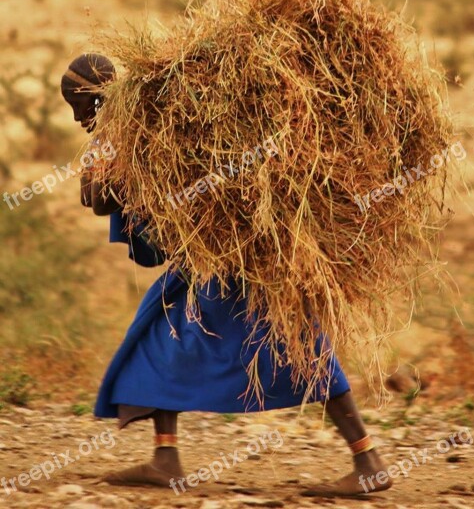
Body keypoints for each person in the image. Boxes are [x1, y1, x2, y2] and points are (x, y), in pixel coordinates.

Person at [61, 54, 392, 498]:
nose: (76, 117)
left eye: (79, 106)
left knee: (298, 344)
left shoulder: (131, 130)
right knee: (161, 334)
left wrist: (100, 157)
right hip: (213, 259)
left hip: (235, 259)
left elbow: (99, 199)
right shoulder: (139, 124)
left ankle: (367, 460)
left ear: (94, 97)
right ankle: (165, 458)